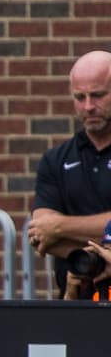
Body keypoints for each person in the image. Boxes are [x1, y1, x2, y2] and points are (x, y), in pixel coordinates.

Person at [29, 50, 111, 299]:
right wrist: (104, 249)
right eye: (80, 97)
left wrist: (60, 227)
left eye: (98, 95)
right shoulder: (55, 160)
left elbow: (52, 229)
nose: (88, 106)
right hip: (75, 301)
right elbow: (42, 236)